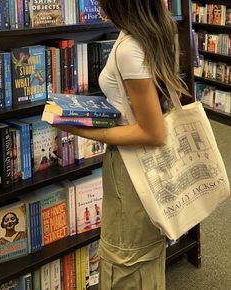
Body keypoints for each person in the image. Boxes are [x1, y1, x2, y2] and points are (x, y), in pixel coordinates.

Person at [53, 0, 189, 289]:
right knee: (141, 256)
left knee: (126, 260)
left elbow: (153, 132)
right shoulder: (156, 28)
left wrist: (84, 130)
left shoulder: (130, 48)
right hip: (142, 162)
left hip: (131, 165)